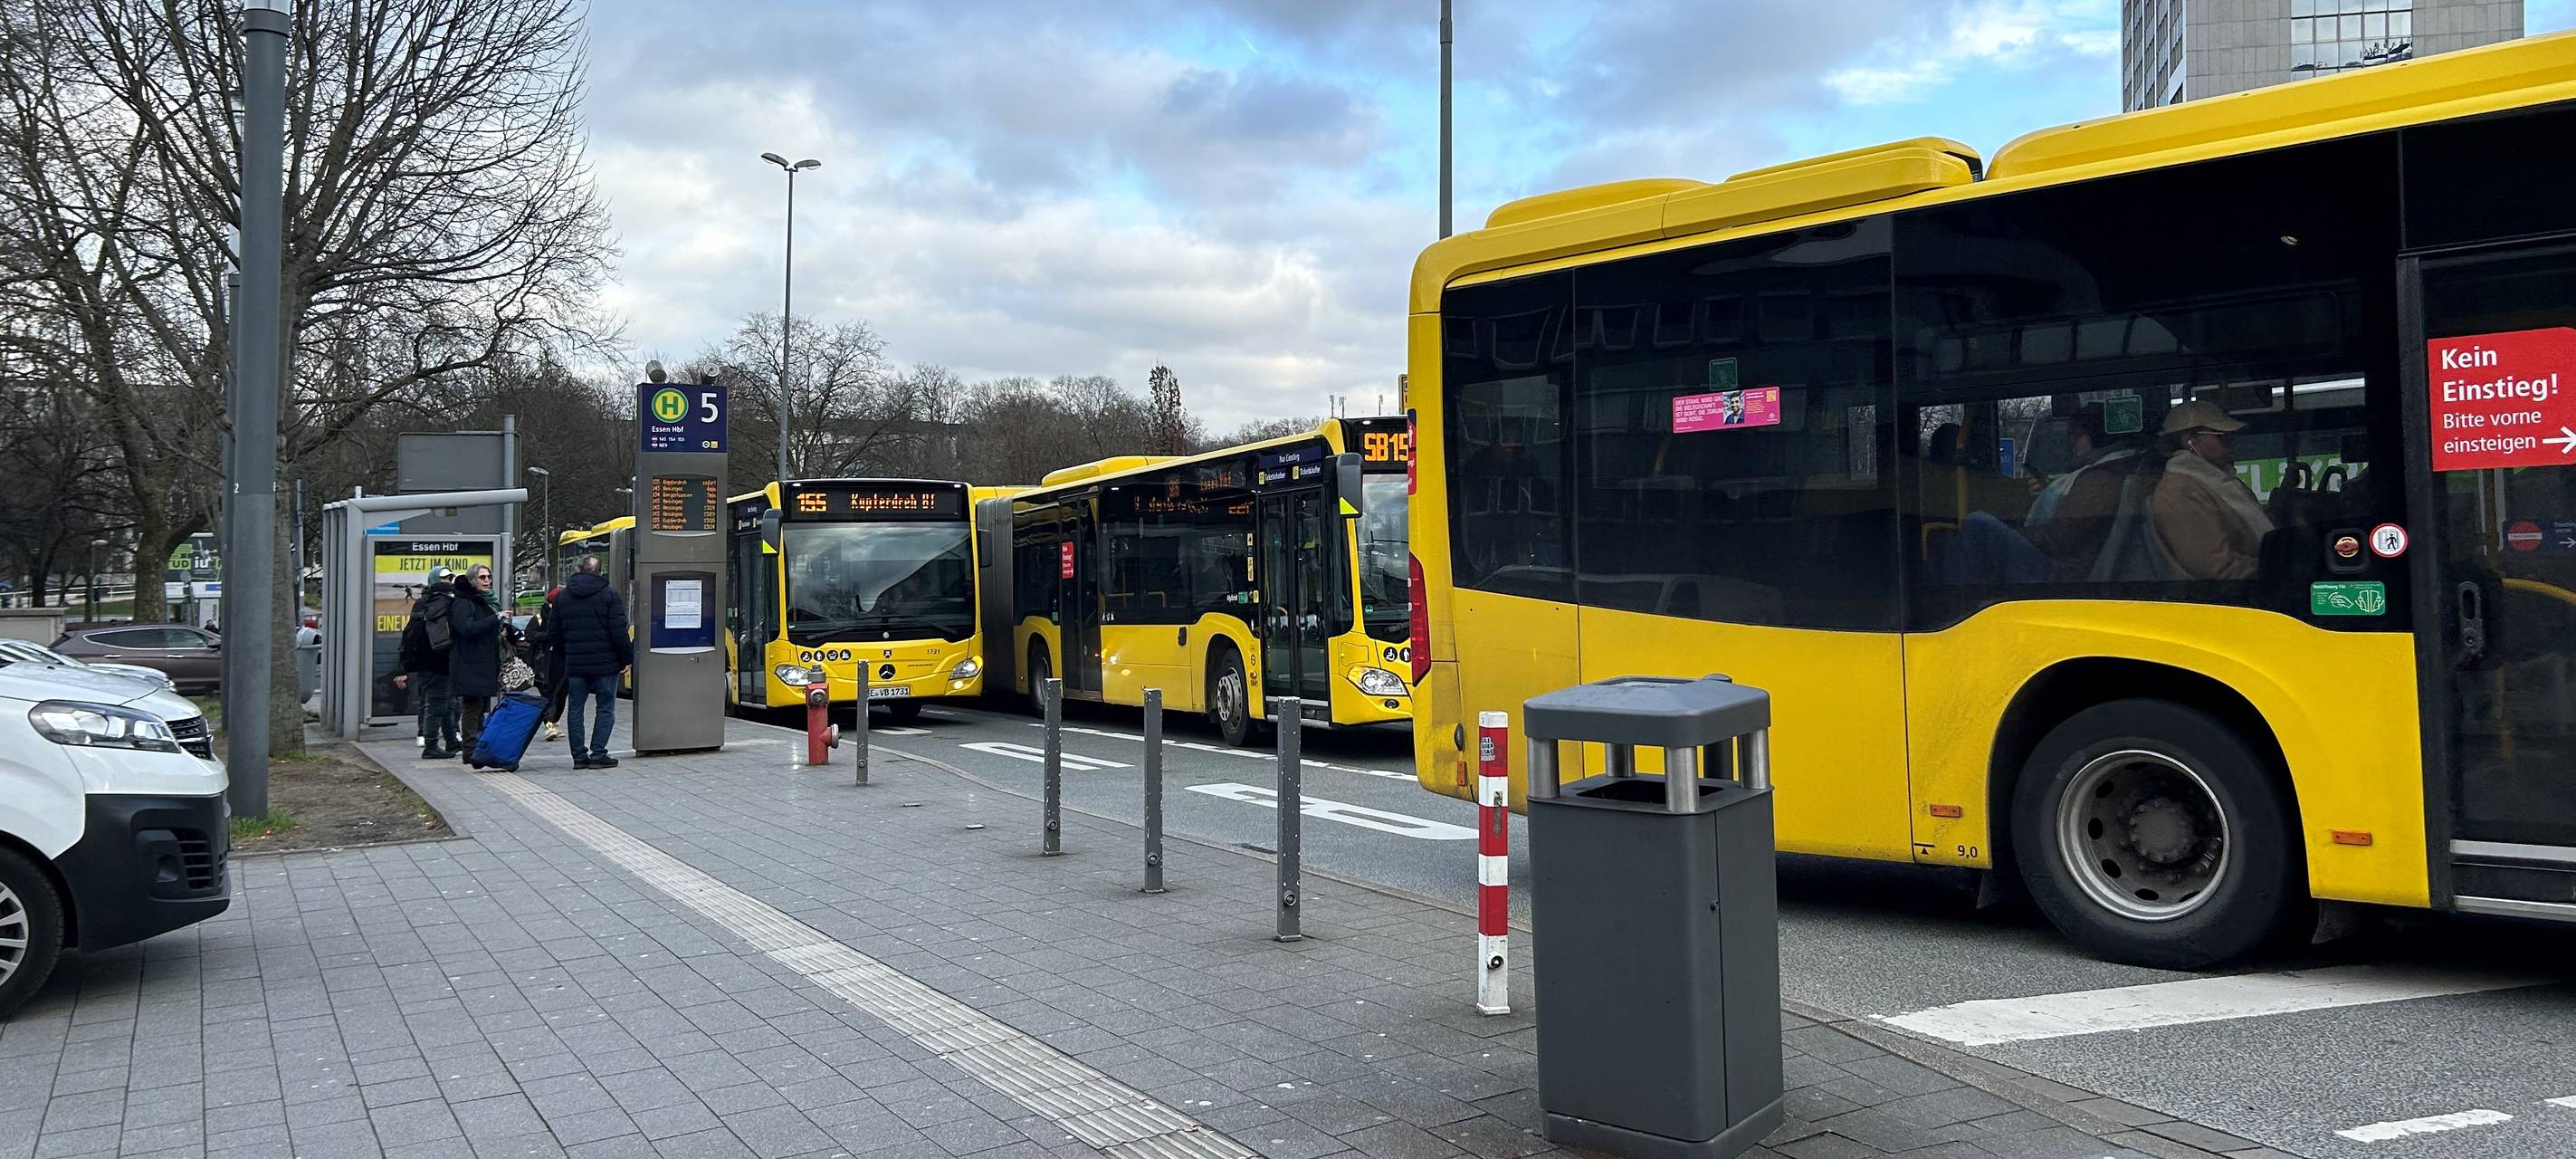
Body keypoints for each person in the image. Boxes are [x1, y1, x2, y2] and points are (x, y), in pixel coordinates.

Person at [2151, 400, 2274, 580]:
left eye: (2232, 437)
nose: (2231, 443)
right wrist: (2282, 567)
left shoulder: (2220, 480)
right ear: (2190, 441)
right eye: (2222, 437)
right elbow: (2216, 568)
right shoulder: (2180, 492)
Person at [548, 554, 633, 769]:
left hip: (576, 664)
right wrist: (626, 659)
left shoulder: (562, 597)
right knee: (605, 708)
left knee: (575, 708)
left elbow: (554, 634)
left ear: (578, 569)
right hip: (606, 664)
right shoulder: (609, 595)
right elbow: (619, 632)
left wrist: (565, 656)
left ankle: (578, 757)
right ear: (600, 571)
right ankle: (598, 754)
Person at [396, 567, 461, 758]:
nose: (448, 581)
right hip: (438, 661)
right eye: (445, 578)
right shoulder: (444, 603)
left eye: (450, 578)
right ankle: (431, 746)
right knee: (436, 704)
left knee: (447, 703)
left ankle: (450, 742)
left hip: (428, 661)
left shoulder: (424, 603)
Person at [446, 563, 505, 760]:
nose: (487, 581)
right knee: (472, 707)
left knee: (480, 707)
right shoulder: (464, 602)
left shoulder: (482, 601)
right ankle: (470, 749)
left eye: (489, 577)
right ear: (473, 580)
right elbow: (467, 629)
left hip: (483, 662)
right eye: (482, 577)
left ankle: (477, 747)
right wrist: (495, 619)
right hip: (469, 663)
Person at [527, 587, 568, 742]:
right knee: (548, 694)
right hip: (544, 663)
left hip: (562, 662)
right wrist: (548, 636)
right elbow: (529, 635)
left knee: (562, 693)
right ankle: (549, 724)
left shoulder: (565, 615)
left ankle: (554, 723)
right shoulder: (539, 618)